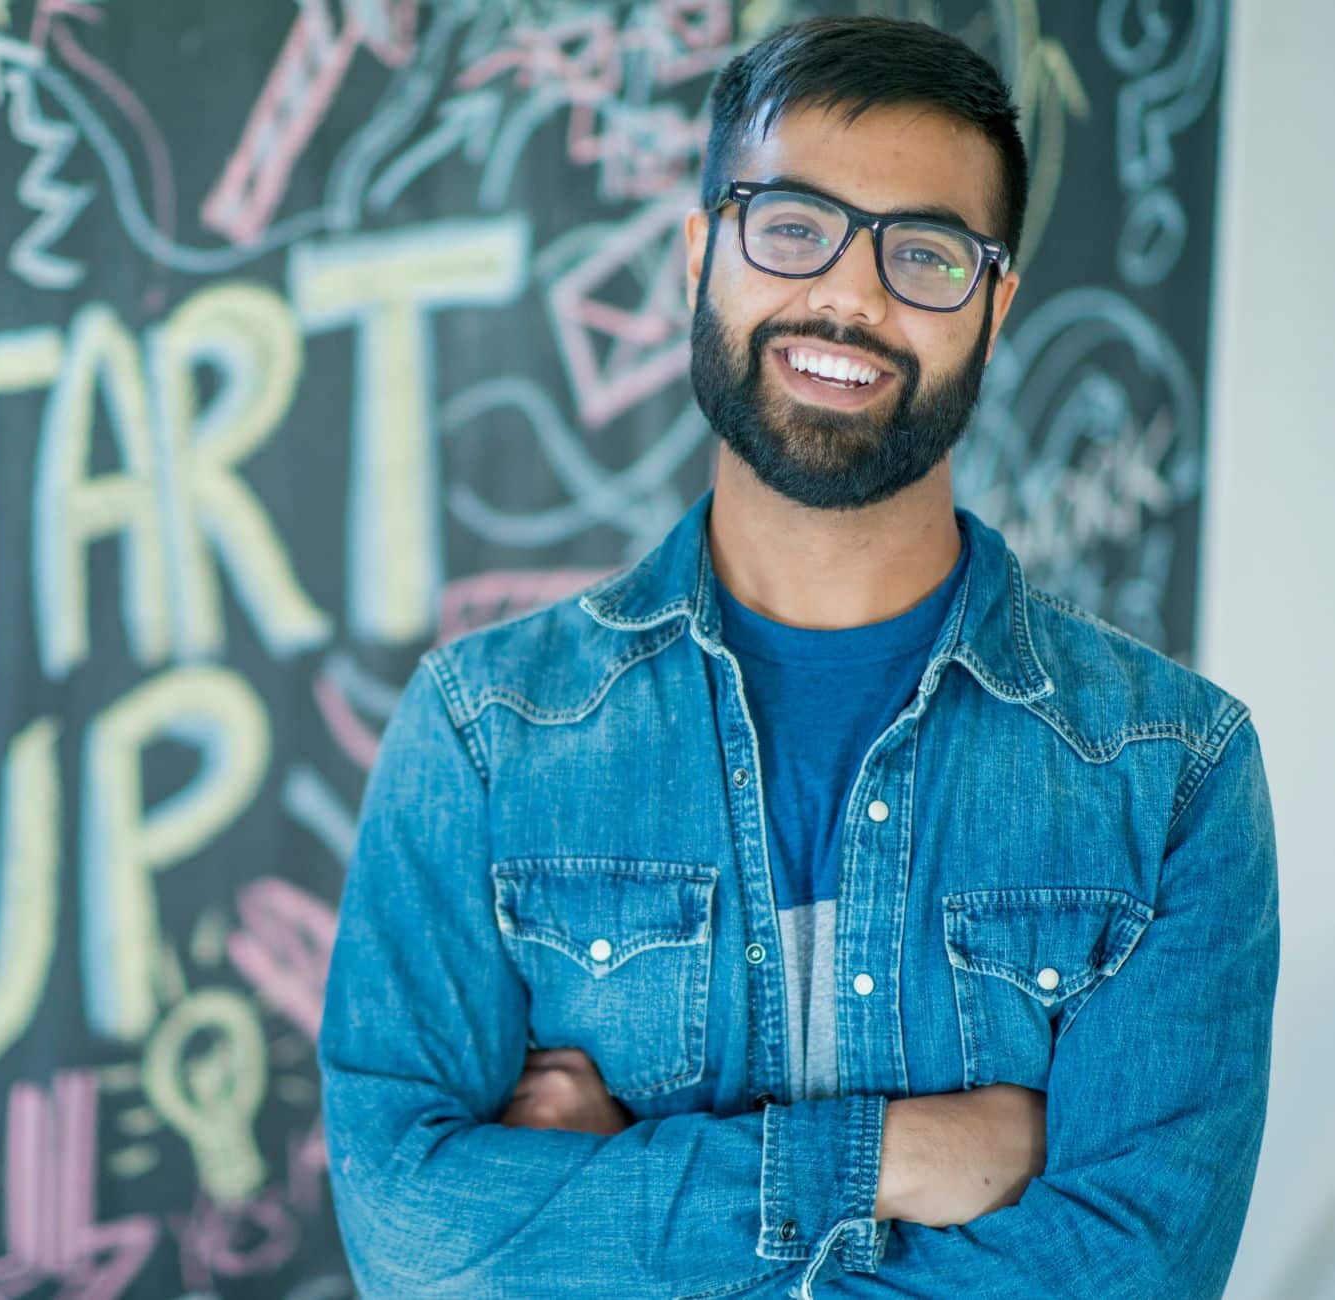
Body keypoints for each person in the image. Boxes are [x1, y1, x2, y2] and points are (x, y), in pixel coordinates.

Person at [316, 14, 1279, 1299]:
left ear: (992, 312)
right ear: (697, 253)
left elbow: (1134, 1276)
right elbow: (417, 1244)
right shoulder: (486, 734)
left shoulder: (1173, 779)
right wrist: (880, 1159)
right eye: (789, 226)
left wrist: (620, 1189)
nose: (847, 293)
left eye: (923, 253)